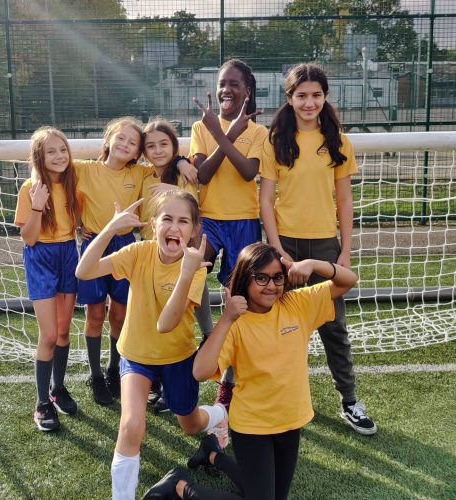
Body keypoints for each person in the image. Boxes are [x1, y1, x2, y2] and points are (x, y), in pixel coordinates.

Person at [143, 242, 358, 500]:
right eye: (261, 278)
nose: (271, 285)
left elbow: (348, 280)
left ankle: (212, 454)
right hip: (252, 428)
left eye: (277, 277)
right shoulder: (236, 322)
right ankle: (179, 486)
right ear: (246, 278)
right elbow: (200, 371)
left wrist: (313, 264)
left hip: (291, 421)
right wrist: (226, 318)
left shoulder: (297, 304)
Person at [75, 190, 228, 500]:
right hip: (136, 354)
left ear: (194, 229)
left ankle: (219, 414)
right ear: (154, 224)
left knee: (190, 424)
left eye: (183, 221)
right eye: (167, 219)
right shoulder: (139, 252)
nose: (174, 227)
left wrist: (186, 272)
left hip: (178, 356)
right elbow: (84, 271)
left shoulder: (196, 267)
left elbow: (166, 323)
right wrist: (110, 229)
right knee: (131, 425)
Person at [259, 63, 376, 435]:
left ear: (325, 97)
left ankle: (350, 401)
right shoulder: (276, 140)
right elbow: (266, 201)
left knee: (333, 328)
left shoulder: (337, 141)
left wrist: (345, 252)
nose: (309, 102)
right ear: (290, 98)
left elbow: (345, 200)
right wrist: (277, 250)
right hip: (286, 244)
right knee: (277, 325)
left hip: (325, 246)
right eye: (301, 95)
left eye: (316, 95)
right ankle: (273, 398)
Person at [190, 58, 267, 439]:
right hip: (209, 219)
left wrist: (229, 134)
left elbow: (247, 171)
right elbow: (203, 175)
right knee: (191, 275)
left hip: (243, 222)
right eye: (222, 83)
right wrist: (223, 133)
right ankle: (208, 335)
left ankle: (230, 382)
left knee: (240, 299)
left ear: (247, 91)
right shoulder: (200, 127)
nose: (226, 89)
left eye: (234, 84)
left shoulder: (258, 131)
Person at [141, 119, 213, 414]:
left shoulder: (185, 175)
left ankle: (184, 382)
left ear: (174, 146)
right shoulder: (143, 176)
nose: (158, 151)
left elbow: (190, 213)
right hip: (151, 262)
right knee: (155, 321)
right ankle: (156, 382)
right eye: (151, 146)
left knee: (183, 324)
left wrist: (180, 167)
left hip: (182, 261)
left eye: (164, 144)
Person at [75, 116, 148, 406]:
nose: (125, 145)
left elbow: (167, 162)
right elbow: (57, 179)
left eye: (132, 143)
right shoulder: (84, 169)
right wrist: (77, 220)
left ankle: (114, 369)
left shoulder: (140, 173)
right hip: (94, 245)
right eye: (121, 138)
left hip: (124, 246)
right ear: (108, 139)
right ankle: (95, 376)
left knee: (119, 315)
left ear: (137, 152)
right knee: (95, 315)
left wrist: (181, 162)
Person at [14, 126, 81, 431]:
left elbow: (77, 220)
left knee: (64, 332)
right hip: (40, 256)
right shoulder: (31, 187)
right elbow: (28, 238)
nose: (59, 156)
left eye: (63, 149)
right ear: (39, 156)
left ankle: (58, 389)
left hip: (68, 253)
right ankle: (42, 404)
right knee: (49, 335)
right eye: (51, 151)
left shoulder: (72, 183)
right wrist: (38, 204)